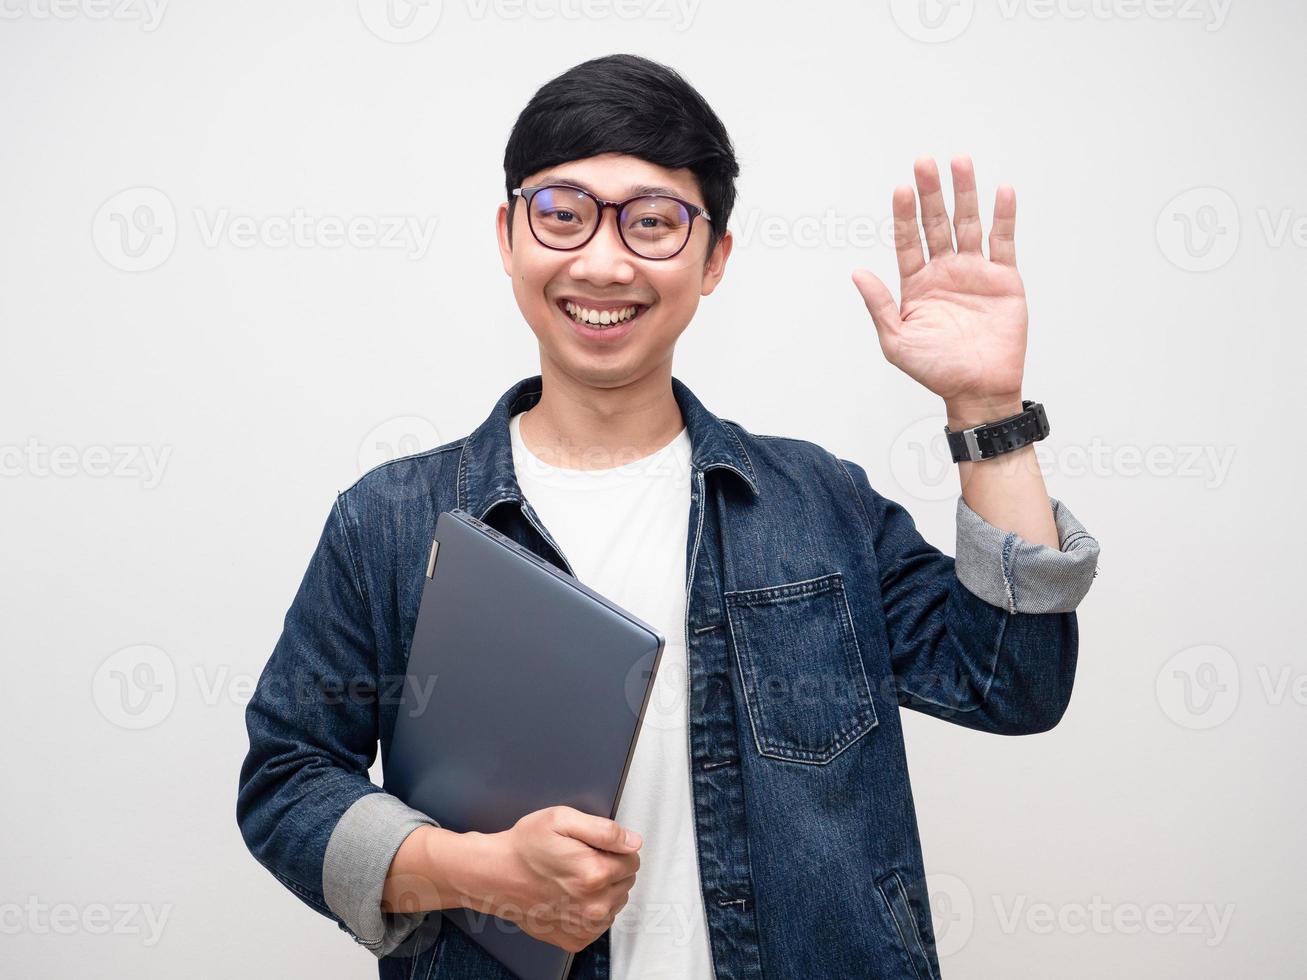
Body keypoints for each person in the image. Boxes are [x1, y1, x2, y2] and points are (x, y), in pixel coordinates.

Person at [237, 53, 1101, 980]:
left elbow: (1014, 685)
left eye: (651, 223)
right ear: (508, 234)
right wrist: (477, 871)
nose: (603, 263)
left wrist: (987, 411)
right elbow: (287, 785)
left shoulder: (818, 503)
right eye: (563, 215)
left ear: (714, 256)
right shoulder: (391, 523)